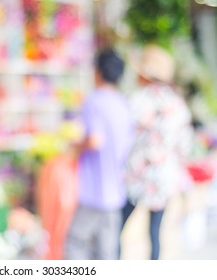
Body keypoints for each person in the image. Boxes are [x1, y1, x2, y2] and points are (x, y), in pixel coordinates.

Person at [121, 45, 193, 260]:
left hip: (135, 176)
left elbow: (124, 138)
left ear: (143, 74)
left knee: (118, 228)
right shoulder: (178, 104)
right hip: (164, 178)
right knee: (155, 233)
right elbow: (184, 147)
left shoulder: (137, 100)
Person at [64, 48, 133, 260]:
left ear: (98, 72)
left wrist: (75, 146)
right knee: (107, 250)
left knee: (76, 242)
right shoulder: (124, 104)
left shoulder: (94, 101)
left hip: (94, 190)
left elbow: (95, 140)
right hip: (115, 190)